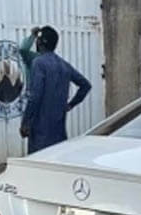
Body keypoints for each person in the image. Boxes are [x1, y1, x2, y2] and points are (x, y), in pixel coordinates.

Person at [19, 25, 91, 155]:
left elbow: (35, 96)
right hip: (59, 135)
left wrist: (26, 122)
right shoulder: (64, 65)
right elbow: (85, 85)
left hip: (40, 135)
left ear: (40, 42)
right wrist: (71, 104)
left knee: (38, 169)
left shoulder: (38, 63)